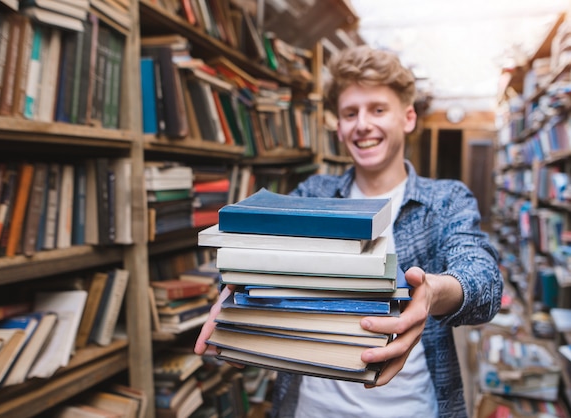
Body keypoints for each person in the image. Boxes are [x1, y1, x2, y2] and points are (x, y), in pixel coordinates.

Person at [194, 45, 503, 418]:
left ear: (407, 118)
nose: (362, 124)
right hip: (311, 408)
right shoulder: (312, 194)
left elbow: (484, 280)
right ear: (338, 127)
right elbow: (258, 264)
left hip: (409, 407)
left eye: (377, 109)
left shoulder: (446, 200)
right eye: (349, 113)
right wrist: (235, 306)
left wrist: (434, 292)